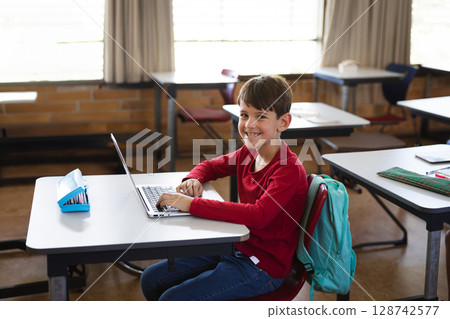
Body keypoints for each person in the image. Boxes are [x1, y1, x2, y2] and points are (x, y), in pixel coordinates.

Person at [140, 75, 308, 301]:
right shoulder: (248, 153)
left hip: (262, 267)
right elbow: (209, 166)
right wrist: (194, 179)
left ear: (283, 122)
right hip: (237, 246)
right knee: (150, 279)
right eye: (244, 114)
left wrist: (192, 204)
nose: (249, 125)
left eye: (260, 116)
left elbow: (258, 215)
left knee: (171, 300)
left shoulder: (288, 170)